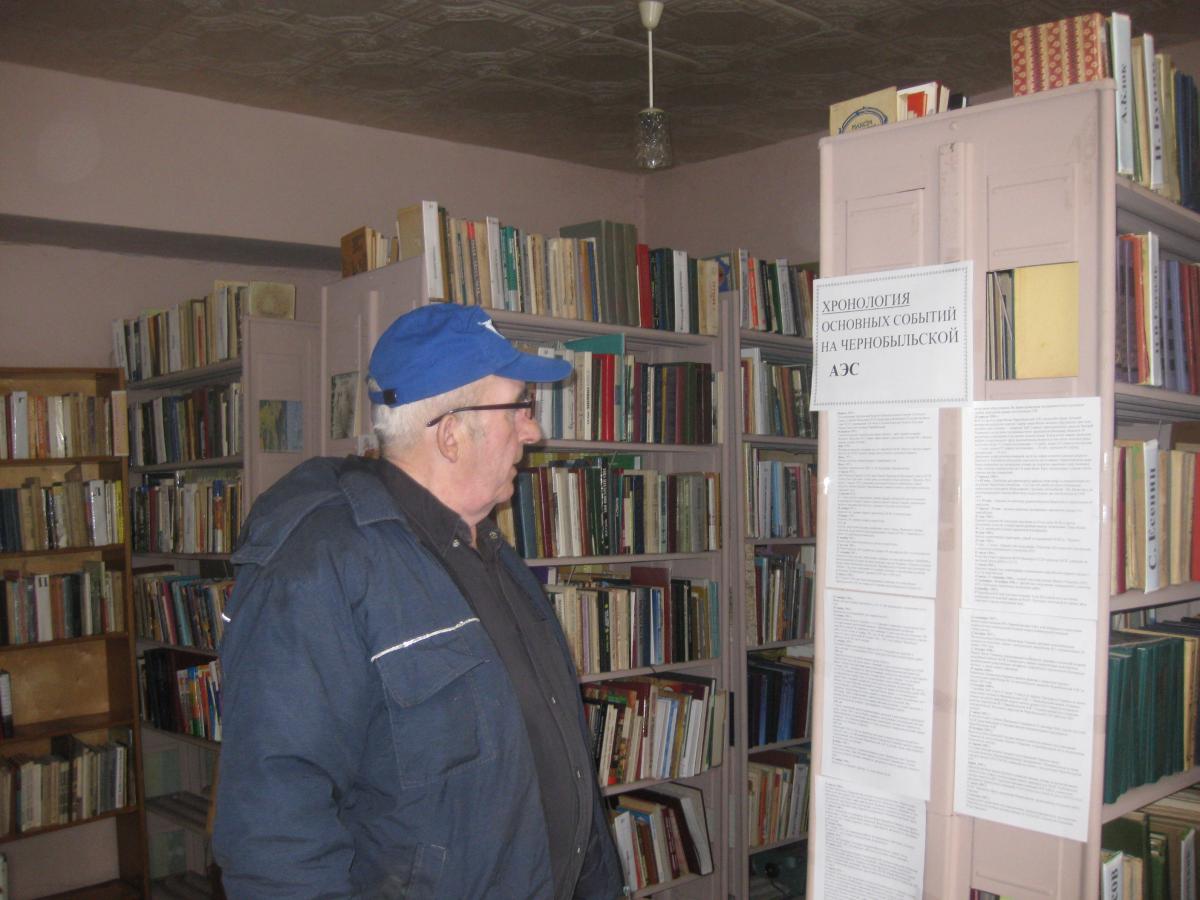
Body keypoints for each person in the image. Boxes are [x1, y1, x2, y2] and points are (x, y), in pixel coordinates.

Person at [212, 303, 625, 899]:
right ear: (452, 433)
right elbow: (273, 829)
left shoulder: (483, 545)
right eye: (519, 407)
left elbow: (549, 749)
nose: (532, 431)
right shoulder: (318, 570)